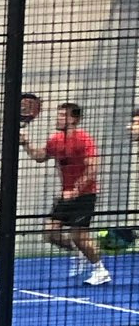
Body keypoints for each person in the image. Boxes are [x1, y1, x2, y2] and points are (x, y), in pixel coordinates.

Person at [22, 100, 108, 285]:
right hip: (66, 195)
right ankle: (80, 252)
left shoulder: (84, 139)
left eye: (63, 115)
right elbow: (40, 156)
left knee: (78, 235)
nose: (58, 118)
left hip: (85, 195)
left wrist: (76, 190)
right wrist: (26, 143)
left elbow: (93, 167)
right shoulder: (55, 140)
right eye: (59, 115)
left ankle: (100, 271)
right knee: (50, 233)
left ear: (74, 119)